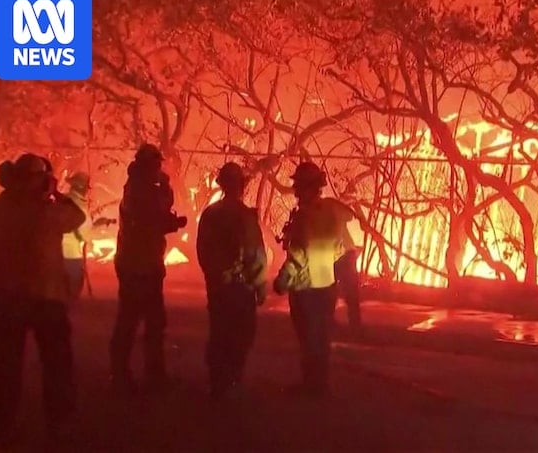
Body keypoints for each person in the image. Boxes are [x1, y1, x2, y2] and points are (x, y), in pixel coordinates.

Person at [0, 154, 86, 445]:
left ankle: (3, 428)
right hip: (45, 298)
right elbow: (76, 216)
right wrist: (54, 193)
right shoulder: (46, 212)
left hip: (3, 298)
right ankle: (59, 425)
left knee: (6, 369)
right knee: (57, 366)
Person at [109, 144, 187, 394]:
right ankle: (134, 374)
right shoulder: (140, 189)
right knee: (138, 320)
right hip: (139, 264)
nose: (159, 168)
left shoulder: (138, 186)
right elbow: (154, 218)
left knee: (141, 320)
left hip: (141, 261)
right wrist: (171, 215)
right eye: (156, 164)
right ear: (148, 165)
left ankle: (141, 372)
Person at [274, 161, 354, 398]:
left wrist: (283, 279)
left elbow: (298, 253)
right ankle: (319, 384)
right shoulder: (332, 213)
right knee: (321, 336)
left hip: (304, 286)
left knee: (308, 336)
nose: (296, 191)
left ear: (306, 187)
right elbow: (340, 248)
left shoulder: (305, 217)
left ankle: (311, 385)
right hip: (326, 282)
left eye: (299, 186)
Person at [196, 162, 268, 399]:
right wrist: (259, 285)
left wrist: (212, 276)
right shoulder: (245, 216)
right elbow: (255, 253)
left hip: (218, 285)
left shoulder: (210, 214)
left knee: (219, 331)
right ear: (242, 186)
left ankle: (218, 380)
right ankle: (233, 379)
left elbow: (202, 250)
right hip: (241, 286)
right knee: (241, 332)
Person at [61, 171, 92, 298]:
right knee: (71, 298)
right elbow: (85, 236)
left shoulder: (60, 201)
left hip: (55, 255)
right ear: (84, 188)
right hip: (72, 257)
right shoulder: (81, 209)